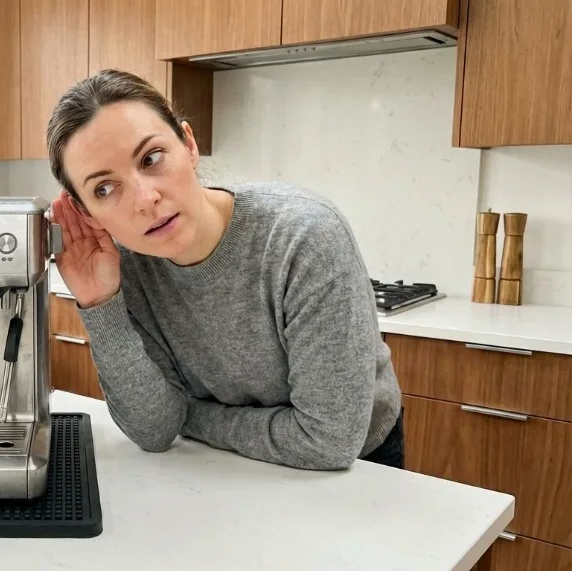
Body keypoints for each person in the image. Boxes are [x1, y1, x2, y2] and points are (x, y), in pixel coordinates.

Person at [45, 69, 404, 470]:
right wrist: (100, 304)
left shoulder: (304, 236)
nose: (146, 199)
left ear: (189, 144)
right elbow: (154, 431)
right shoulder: (124, 267)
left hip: (360, 466)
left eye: (151, 159)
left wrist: (190, 415)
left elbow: (327, 441)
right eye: (105, 189)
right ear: (86, 213)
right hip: (221, 461)